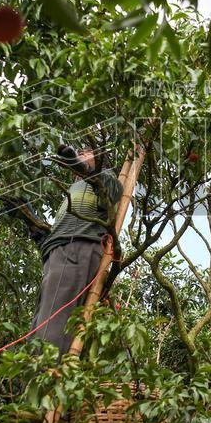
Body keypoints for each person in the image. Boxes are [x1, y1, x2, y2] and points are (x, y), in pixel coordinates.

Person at [17, 144, 124, 357]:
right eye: (80, 152)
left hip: (78, 247)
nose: (82, 152)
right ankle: (37, 375)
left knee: (53, 322)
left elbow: (111, 190)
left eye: (88, 151)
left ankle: (46, 376)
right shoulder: (74, 190)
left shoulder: (107, 178)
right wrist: (27, 217)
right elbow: (56, 233)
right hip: (60, 250)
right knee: (42, 319)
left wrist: (81, 166)